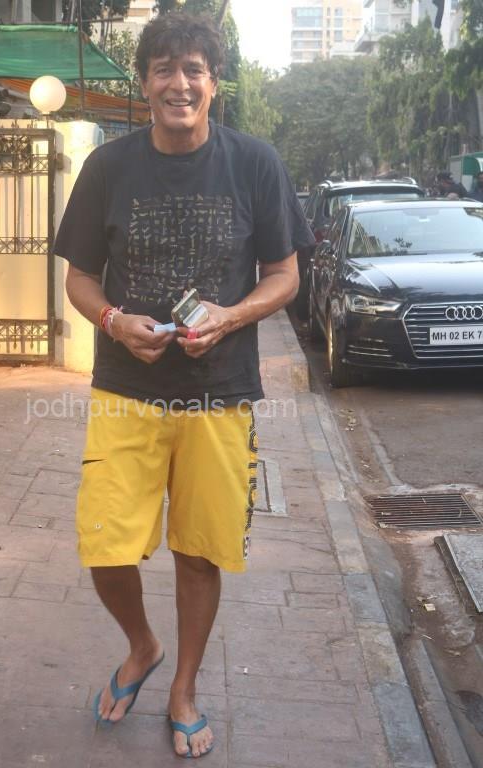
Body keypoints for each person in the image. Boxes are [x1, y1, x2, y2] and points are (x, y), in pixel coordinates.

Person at [54, 12, 314, 760]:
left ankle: (184, 690)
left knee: (199, 552)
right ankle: (143, 645)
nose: (179, 83)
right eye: (164, 69)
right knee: (105, 544)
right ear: (144, 83)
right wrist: (112, 321)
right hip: (126, 390)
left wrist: (230, 318)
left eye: (194, 69)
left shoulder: (255, 163)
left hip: (219, 393)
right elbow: (79, 278)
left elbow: (285, 275)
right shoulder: (108, 168)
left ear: (214, 82)